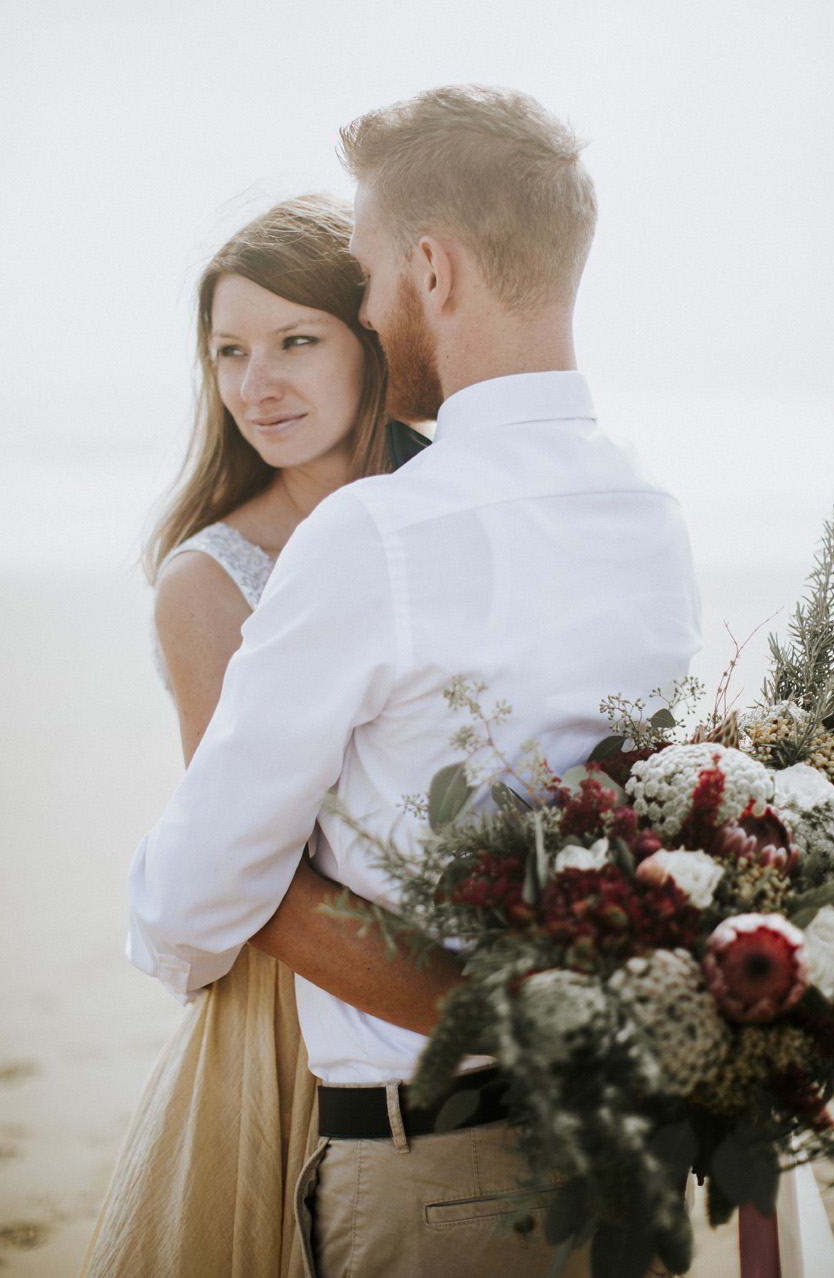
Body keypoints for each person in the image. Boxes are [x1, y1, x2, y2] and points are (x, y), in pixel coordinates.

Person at [128, 87, 702, 1277]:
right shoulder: (652, 510)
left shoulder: (375, 536)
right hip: (626, 1148)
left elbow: (189, 898)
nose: (373, 305)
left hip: (436, 1178)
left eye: (371, 275)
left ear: (431, 269)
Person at [81, 195, 461, 1278]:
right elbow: (247, 862)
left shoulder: (457, 505)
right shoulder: (211, 579)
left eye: (296, 340)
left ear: (371, 341)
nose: (258, 384)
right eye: (230, 352)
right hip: (308, 1003)